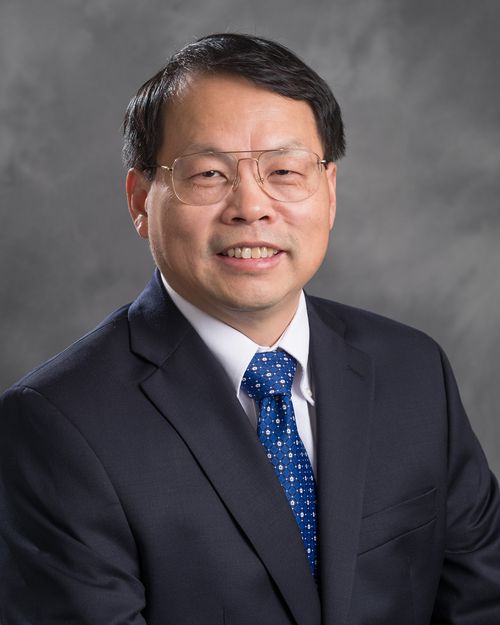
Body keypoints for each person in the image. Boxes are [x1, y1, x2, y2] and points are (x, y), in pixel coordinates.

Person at [0, 32, 499, 625]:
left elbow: (482, 601)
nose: (251, 207)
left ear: (329, 192)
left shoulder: (414, 370)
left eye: (285, 171)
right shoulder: (55, 426)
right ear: (140, 200)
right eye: (208, 174)